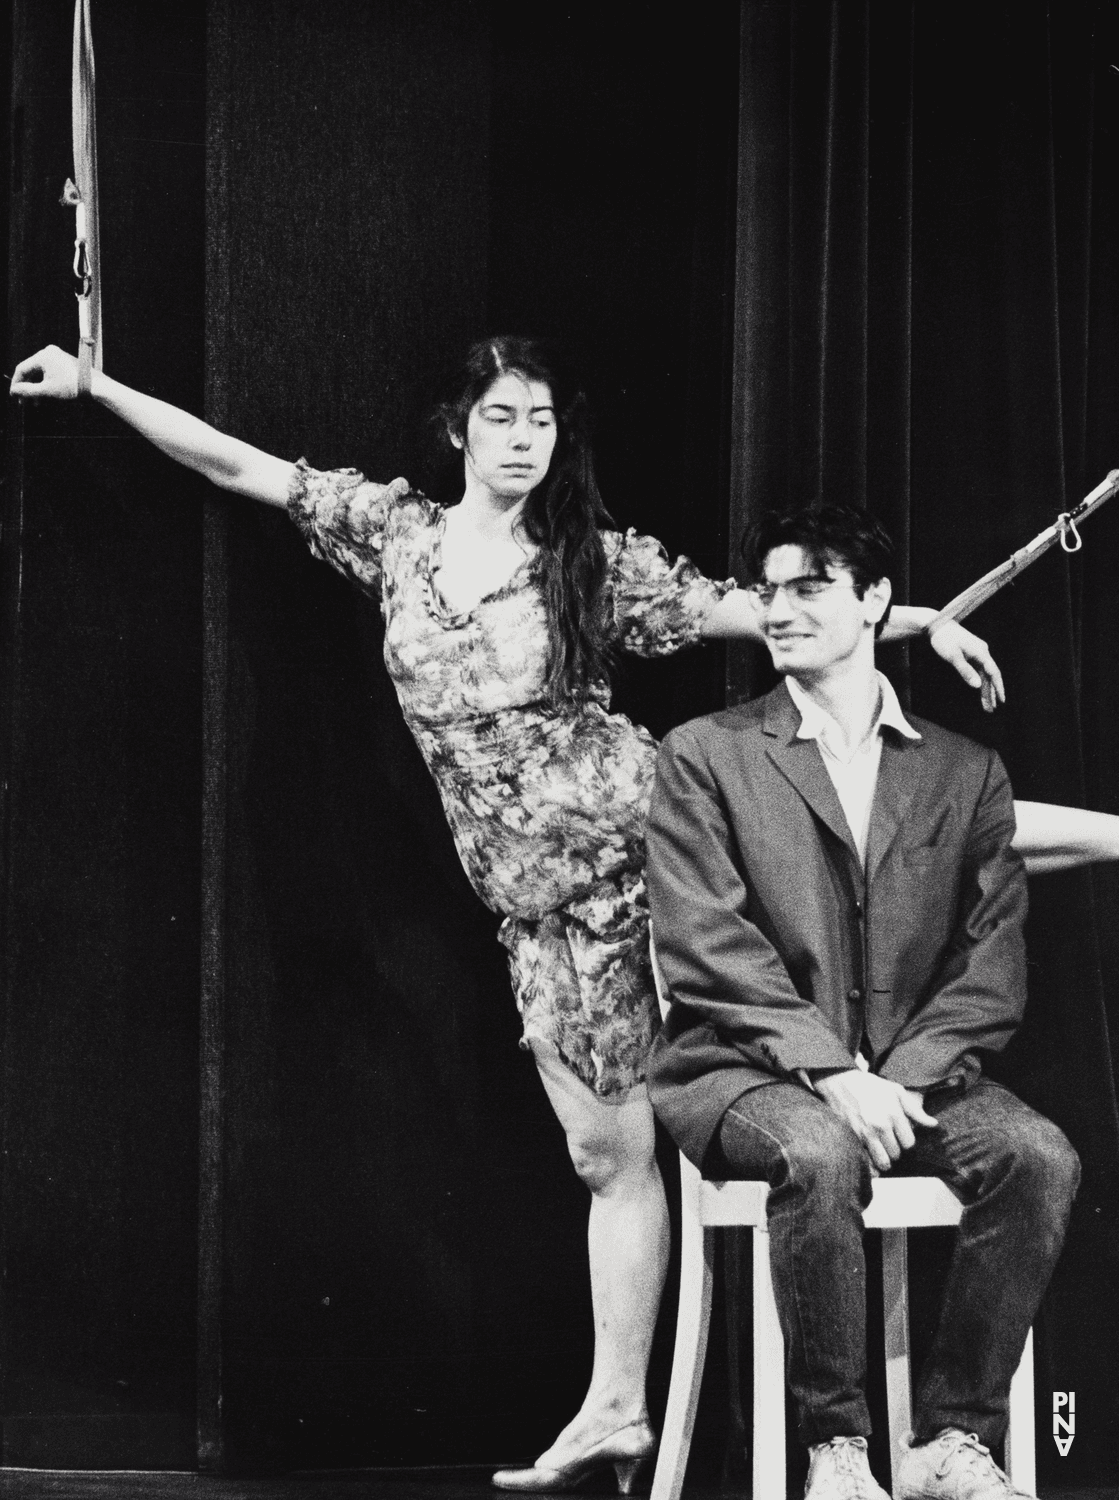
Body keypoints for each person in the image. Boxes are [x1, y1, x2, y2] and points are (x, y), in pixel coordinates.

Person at [8, 340, 1113, 1495]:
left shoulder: (586, 563)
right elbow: (245, 471)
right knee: (605, 1154)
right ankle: (618, 1409)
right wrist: (97, 389)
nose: (525, 438)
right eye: (502, 417)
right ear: (459, 432)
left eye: (541, 419)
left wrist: (918, 621)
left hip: (651, 841)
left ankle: (1110, 833)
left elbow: (762, 612)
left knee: (924, 833)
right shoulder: (395, 537)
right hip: (540, 907)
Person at [645, 504, 1085, 1500]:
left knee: (1036, 1155)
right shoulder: (704, 755)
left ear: (877, 602)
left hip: (907, 1071)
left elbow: (990, 971)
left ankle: (948, 1443)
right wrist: (835, 1075)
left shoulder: (966, 774)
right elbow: (710, 949)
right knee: (820, 1149)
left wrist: (898, 1079)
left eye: (811, 586)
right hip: (741, 1072)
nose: (780, 608)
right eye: (768, 590)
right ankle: (835, 1451)